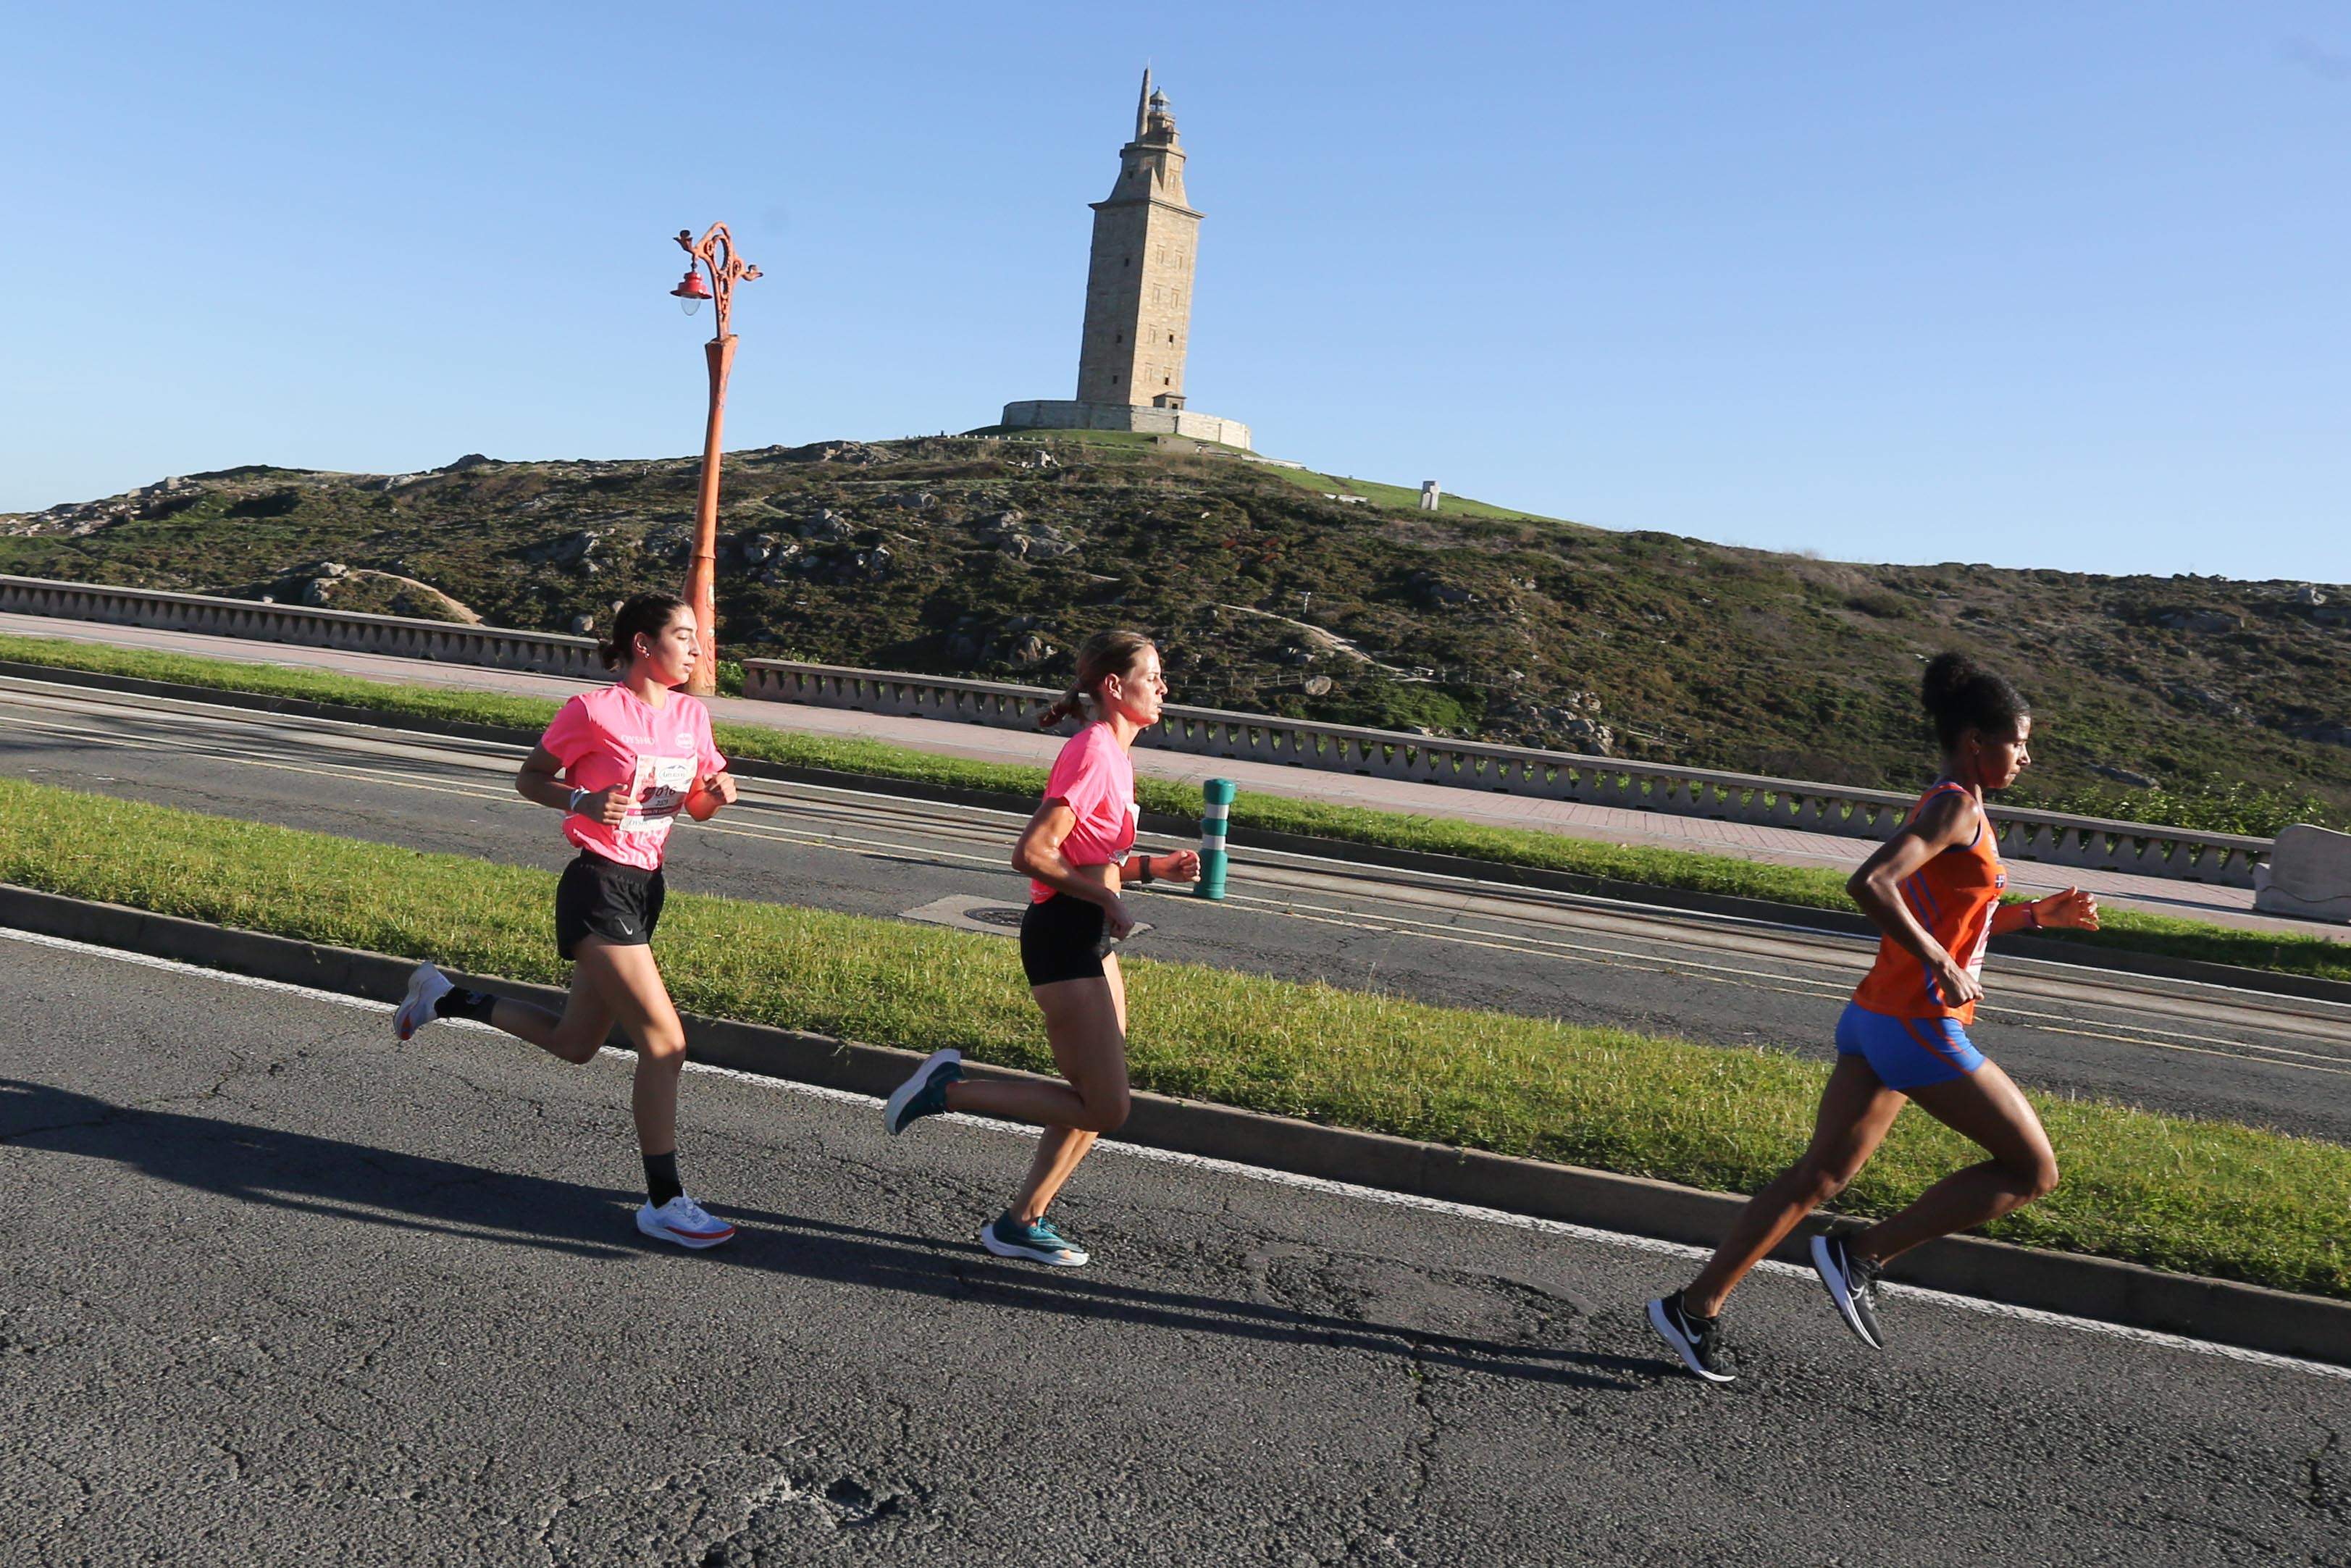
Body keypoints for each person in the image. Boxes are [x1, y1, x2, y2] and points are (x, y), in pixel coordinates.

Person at [1648, 652, 2100, 1382]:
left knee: (1816, 1176)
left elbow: (1954, 916)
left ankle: (1693, 1308)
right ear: (1976, 740)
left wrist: (2032, 917)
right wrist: (1938, 962)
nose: (2026, 754)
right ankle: (1863, 1253)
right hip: (1916, 1023)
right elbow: (1871, 882)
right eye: (2017, 740)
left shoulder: (1963, 807)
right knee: (2032, 1168)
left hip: (1875, 1017)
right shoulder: (1954, 804)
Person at [392, 592, 742, 1250]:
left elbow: (694, 807)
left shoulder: (692, 716)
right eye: (685, 635)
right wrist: (582, 796)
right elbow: (530, 778)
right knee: (665, 1044)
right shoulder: (594, 710)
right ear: (643, 644)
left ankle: (448, 997)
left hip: (646, 887)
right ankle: (665, 1201)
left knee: (576, 1042)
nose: (698, 649)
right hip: (597, 886)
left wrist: (719, 794)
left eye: (700, 638)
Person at [881, 629, 1199, 1266]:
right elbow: (1032, 854)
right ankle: (946, 1088)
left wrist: (1147, 871)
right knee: (1106, 1105)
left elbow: (1092, 859)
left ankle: (1023, 1220)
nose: (1164, 688)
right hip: (1063, 936)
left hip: (1086, 934)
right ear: (1115, 686)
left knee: (1093, 1096)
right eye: (1153, 676)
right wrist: (1110, 900)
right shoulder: (1092, 752)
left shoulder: (1113, 753)